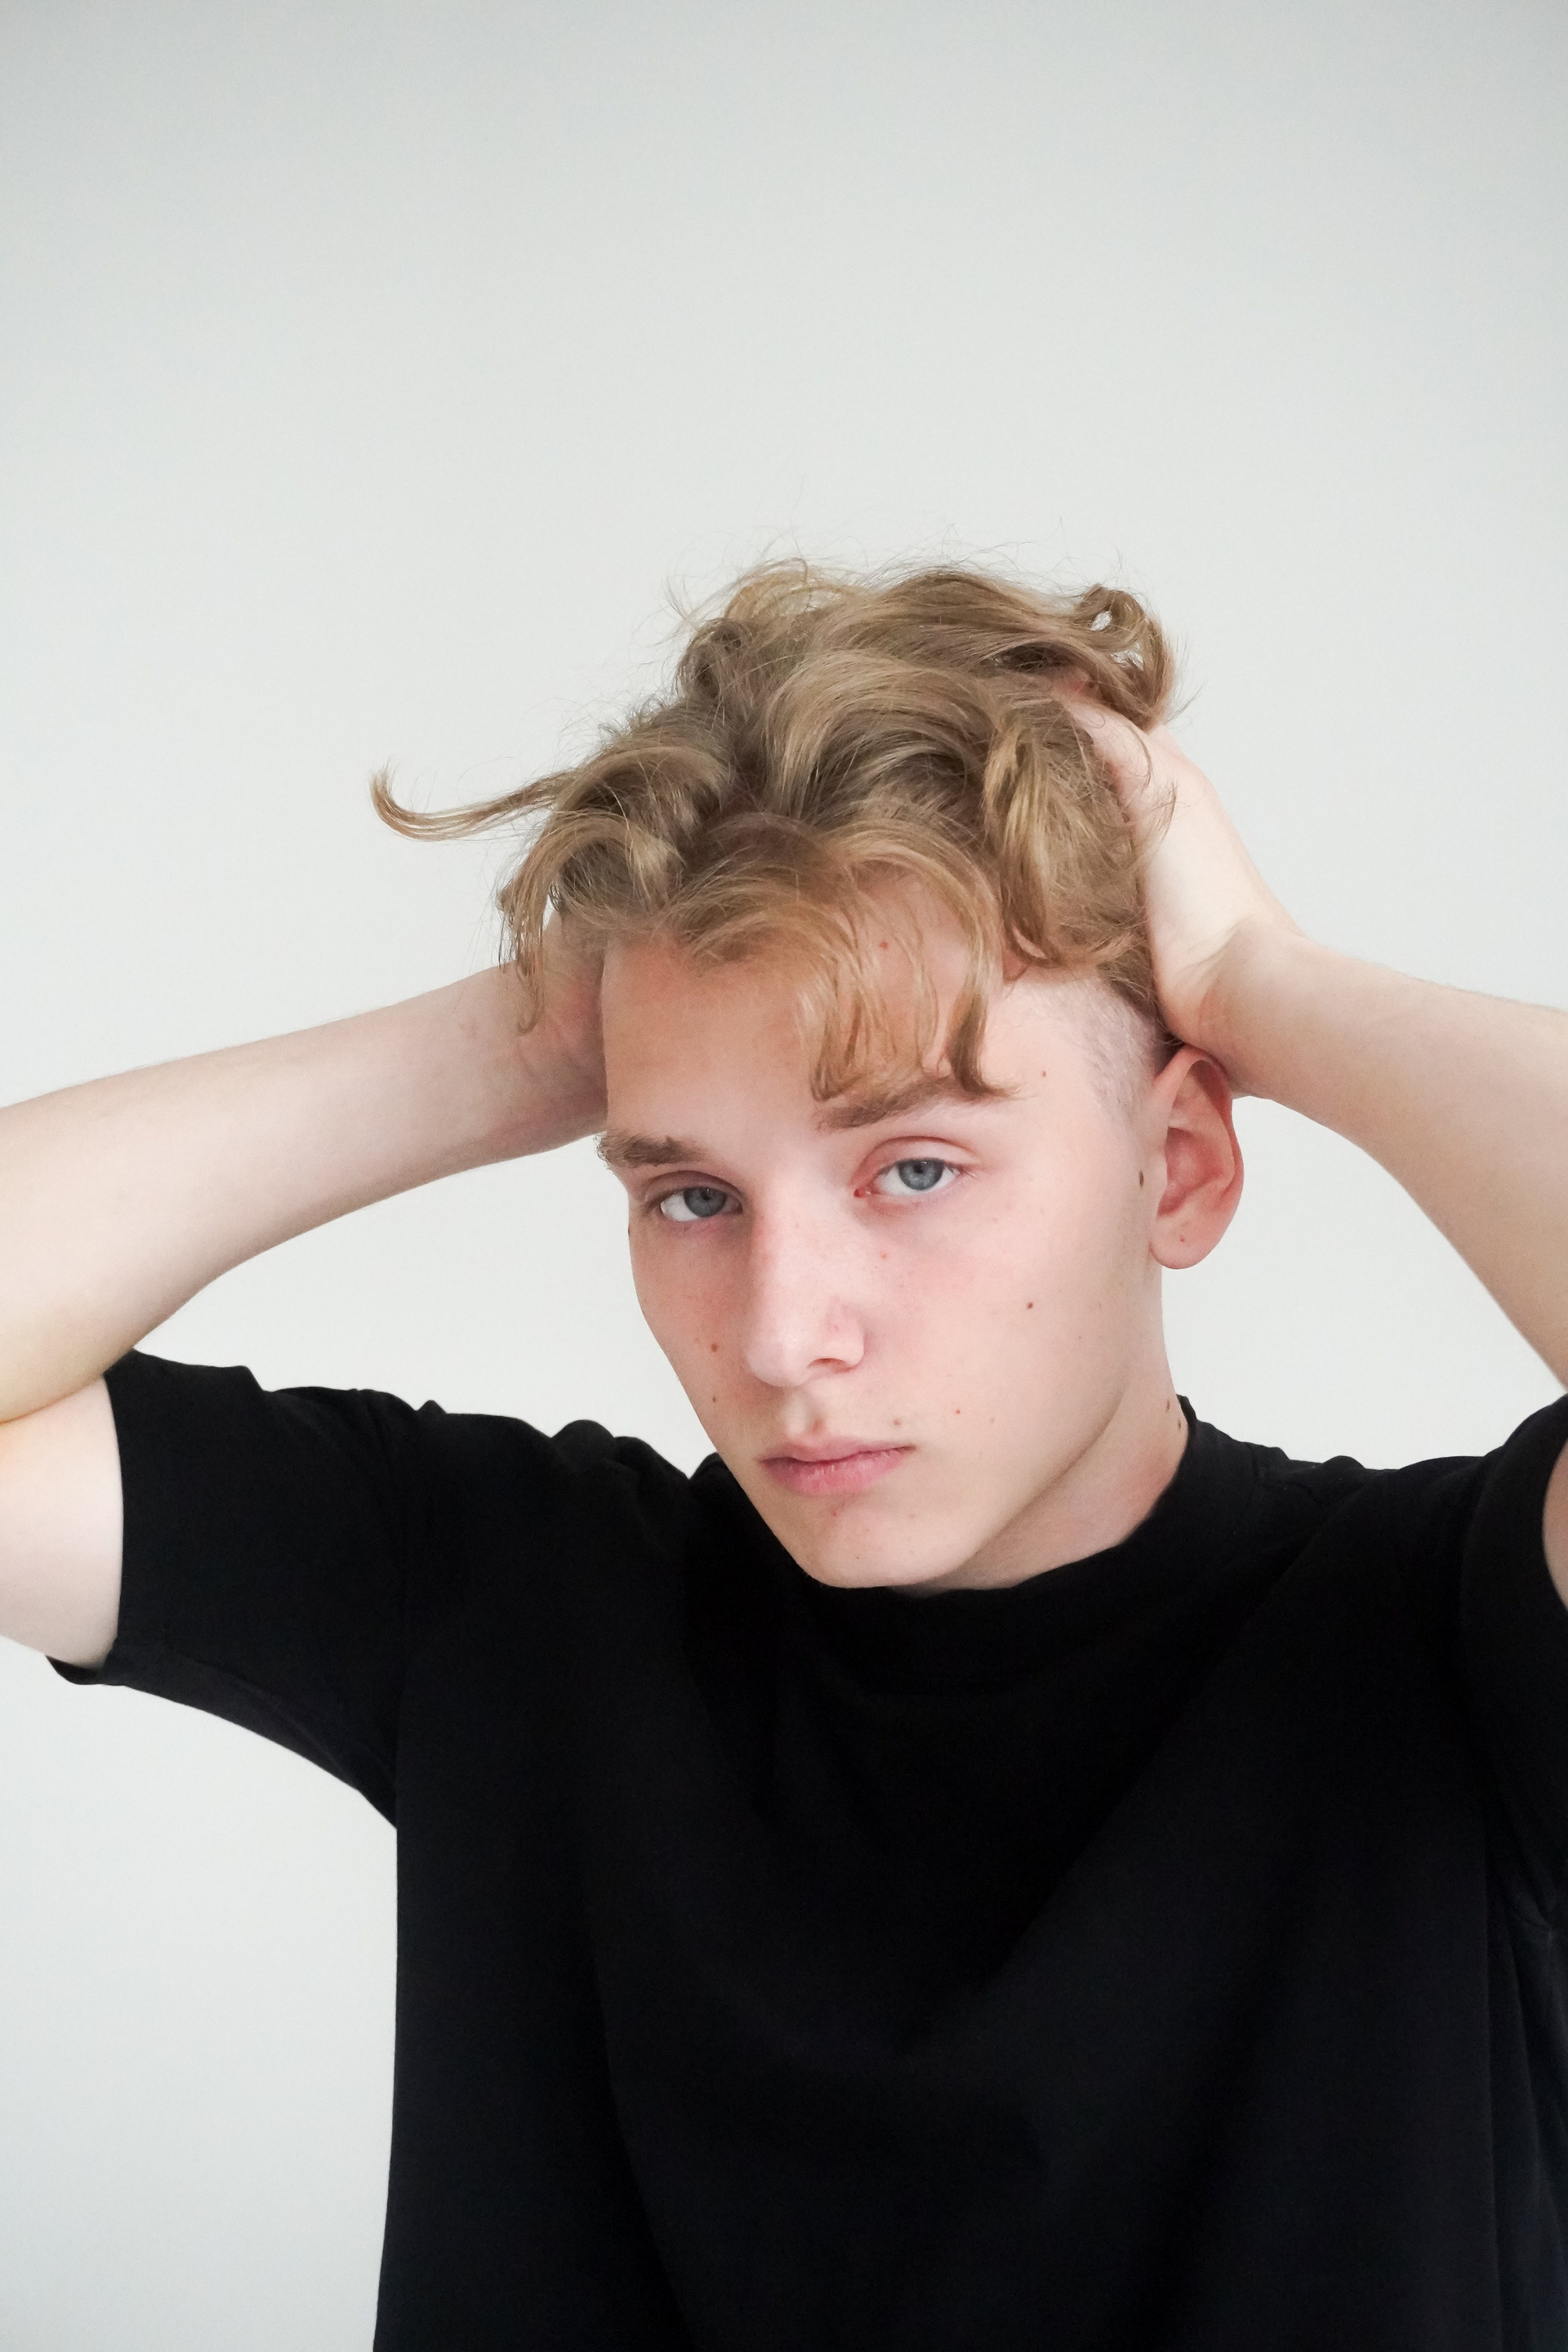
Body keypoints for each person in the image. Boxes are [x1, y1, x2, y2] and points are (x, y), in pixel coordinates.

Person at [2, 560, 1566, 2350]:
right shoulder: (519, 1601)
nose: (776, 1333)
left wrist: (1254, 980)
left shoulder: (1441, 1646)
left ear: (1181, 1168)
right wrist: (529, 1046)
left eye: (913, 1168)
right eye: (691, 1193)